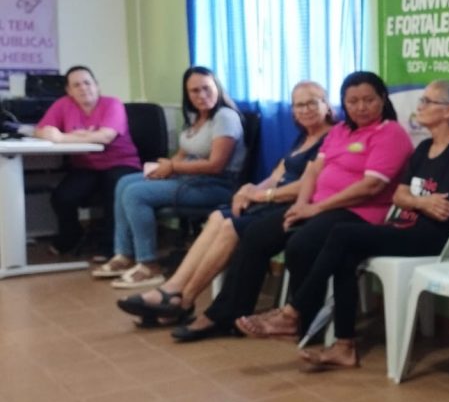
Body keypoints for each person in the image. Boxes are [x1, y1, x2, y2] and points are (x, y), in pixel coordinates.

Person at [234, 79, 449, 370]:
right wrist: (419, 201)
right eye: (422, 100)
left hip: (429, 237)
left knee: (342, 234)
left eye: (428, 102)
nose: (420, 107)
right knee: (346, 253)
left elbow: (442, 210)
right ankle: (344, 346)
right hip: (403, 226)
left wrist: (414, 201)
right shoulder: (425, 147)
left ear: (448, 112)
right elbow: (401, 196)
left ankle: (293, 313)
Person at [171, 71, 413, 343]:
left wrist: (315, 209)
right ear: (343, 103)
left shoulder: (390, 133)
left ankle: (300, 321)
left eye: (368, 100)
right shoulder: (341, 131)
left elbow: (370, 187)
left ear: (382, 99)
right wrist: (299, 207)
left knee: (300, 245)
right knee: (255, 234)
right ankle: (225, 315)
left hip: (358, 212)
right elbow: (313, 171)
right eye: (352, 101)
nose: (360, 107)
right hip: (319, 208)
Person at [113, 80, 334, 325]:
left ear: (327, 105)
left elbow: (310, 185)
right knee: (218, 217)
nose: (305, 110)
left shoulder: (331, 139)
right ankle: (174, 289)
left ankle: (181, 299)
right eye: (299, 105)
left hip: (288, 205)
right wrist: (249, 190)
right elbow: (275, 176)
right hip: (270, 199)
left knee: (229, 225)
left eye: (312, 103)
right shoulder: (303, 137)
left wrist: (262, 196)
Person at [91, 66, 247, 289]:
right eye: (194, 91)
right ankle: (124, 255)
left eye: (206, 88)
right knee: (125, 182)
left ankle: (148, 265)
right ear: (187, 95)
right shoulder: (197, 118)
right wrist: (163, 167)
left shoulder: (225, 117)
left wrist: (173, 167)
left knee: (136, 193)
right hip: (190, 179)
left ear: (217, 88)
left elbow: (215, 165)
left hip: (216, 185)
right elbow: (183, 153)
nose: (201, 95)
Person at [34, 66, 141, 258]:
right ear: (69, 91)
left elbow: (106, 137)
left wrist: (63, 138)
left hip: (121, 162)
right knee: (62, 197)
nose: (83, 88)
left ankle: (111, 248)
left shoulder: (112, 104)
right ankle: (71, 235)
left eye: (87, 83)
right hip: (87, 166)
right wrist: (52, 133)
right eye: (76, 85)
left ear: (97, 86)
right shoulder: (63, 105)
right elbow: (41, 130)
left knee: (114, 194)